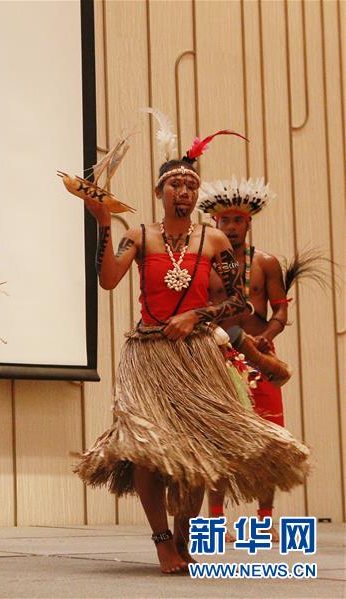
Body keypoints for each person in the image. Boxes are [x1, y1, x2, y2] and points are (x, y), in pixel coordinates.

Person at [73, 122, 310, 574]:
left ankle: (184, 534)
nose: (183, 190)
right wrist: (104, 223)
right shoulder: (139, 236)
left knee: (200, 450)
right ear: (160, 190)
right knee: (147, 446)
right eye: (175, 184)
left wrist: (195, 316)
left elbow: (239, 303)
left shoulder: (213, 239)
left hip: (197, 355)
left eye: (190, 185)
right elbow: (107, 279)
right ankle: (162, 540)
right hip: (148, 354)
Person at [199, 177, 298, 542]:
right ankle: (215, 518)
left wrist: (265, 339)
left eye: (237, 221)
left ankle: (266, 517)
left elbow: (281, 312)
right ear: (215, 224)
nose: (231, 228)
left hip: (260, 360)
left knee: (269, 438)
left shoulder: (266, 262)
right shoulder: (205, 264)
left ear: (248, 222)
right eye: (224, 221)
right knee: (220, 438)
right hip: (221, 356)